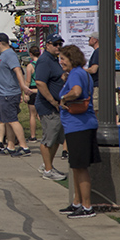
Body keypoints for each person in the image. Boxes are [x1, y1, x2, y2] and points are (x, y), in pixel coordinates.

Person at [58, 44, 100, 218]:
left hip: (79, 126)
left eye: (63, 59)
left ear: (72, 59)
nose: (61, 62)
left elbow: (77, 92)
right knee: (75, 166)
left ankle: (87, 206)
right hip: (80, 125)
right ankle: (77, 202)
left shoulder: (76, 73)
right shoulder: (82, 73)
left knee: (81, 167)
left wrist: (63, 97)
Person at [0, 32, 32, 157]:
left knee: (13, 120)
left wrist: (23, 86)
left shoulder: (9, 55)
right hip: (2, 93)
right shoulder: (3, 55)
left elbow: (18, 70)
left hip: (9, 93)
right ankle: (11, 146)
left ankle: (24, 147)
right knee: (7, 120)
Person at [34, 33, 68, 180]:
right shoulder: (44, 60)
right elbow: (40, 82)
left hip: (57, 107)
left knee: (56, 138)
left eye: (60, 44)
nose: (58, 47)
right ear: (47, 45)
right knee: (48, 138)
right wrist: (52, 101)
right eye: (55, 44)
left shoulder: (54, 60)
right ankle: (48, 171)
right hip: (48, 106)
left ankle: (47, 165)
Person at [24, 45, 41, 142]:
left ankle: (33, 135)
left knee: (32, 114)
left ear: (31, 54)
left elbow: (28, 81)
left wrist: (26, 92)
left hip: (32, 89)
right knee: (40, 114)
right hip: (41, 88)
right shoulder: (42, 64)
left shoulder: (30, 66)